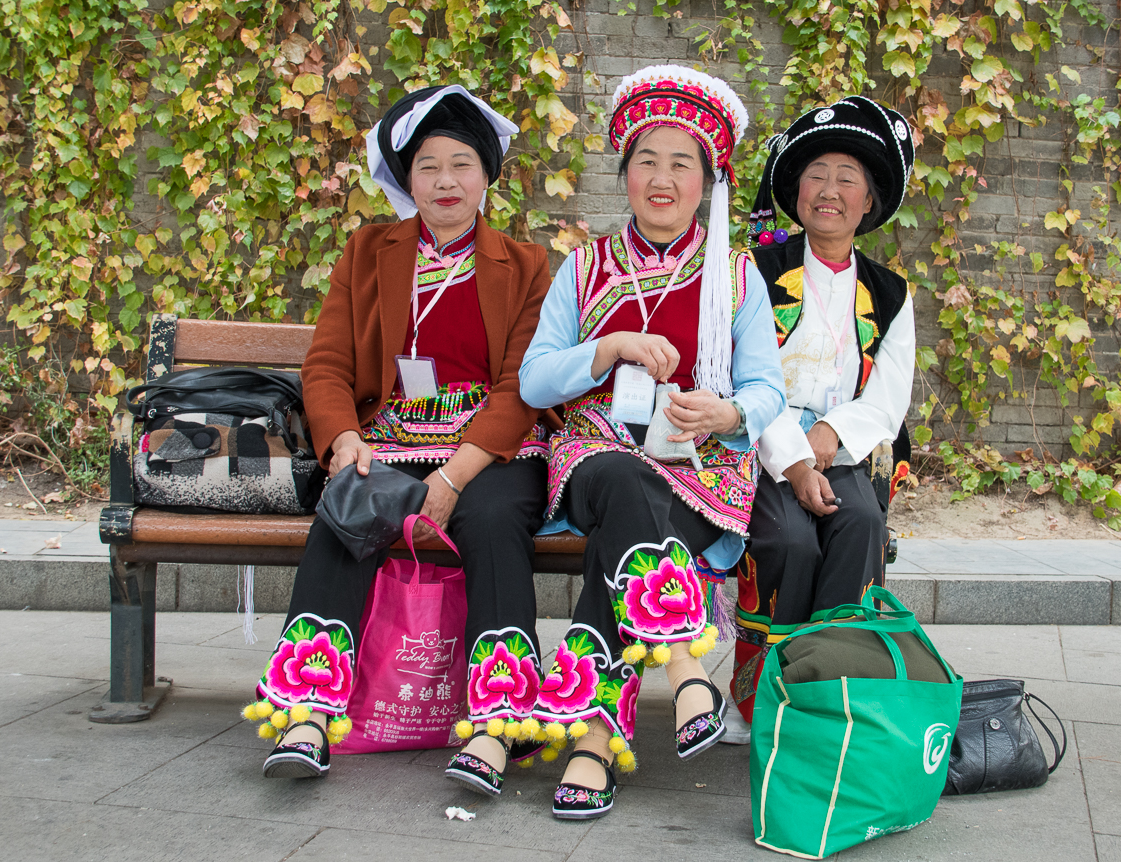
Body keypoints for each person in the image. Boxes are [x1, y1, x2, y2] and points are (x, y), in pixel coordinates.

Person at [240, 86, 553, 792]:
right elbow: (327, 363)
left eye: (462, 164)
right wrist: (343, 439)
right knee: (349, 508)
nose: (446, 182)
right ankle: (307, 710)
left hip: (488, 447)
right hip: (390, 436)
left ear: (487, 175)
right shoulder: (368, 250)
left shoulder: (526, 264)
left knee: (495, 517)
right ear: (406, 179)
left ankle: (498, 722)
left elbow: (523, 385)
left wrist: (453, 477)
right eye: (428, 167)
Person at [516, 64, 784, 820]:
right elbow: (537, 383)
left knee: (621, 538)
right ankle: (684, 659)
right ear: (625, 170)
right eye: (647, 161)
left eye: (682, 164)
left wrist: (725, 416)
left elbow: (766, 390)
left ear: (708, 180)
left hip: (696, 470)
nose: (662, 179)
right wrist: (608, 350)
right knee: (625, 486)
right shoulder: (584, 267)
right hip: (598, 456)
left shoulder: (736, 276)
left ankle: (593, 744)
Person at [728, 96, 917, 725]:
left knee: (860, 522)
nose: (829, 191)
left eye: (847, 180)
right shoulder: (755, 272)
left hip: (842, 446)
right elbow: (742, 375)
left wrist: (831, 437)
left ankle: (833, 693)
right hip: (761, 443)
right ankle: (759, 698)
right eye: (816, 175)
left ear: (869, 203)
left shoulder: (890, 294)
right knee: (788, 539)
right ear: (796, 191)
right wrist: (795, 457)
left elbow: (888, 396)